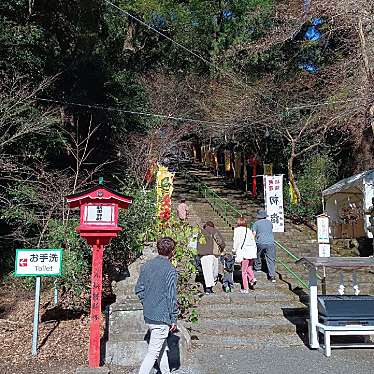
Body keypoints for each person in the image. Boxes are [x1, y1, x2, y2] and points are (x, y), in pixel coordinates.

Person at [135, 237, 178, 374]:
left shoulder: (147, 266)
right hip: (162, 315)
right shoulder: (170, 270)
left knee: (161, 348)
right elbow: (171, 297)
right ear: (172, 251)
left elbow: (139, 289)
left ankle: (165, 371)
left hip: (149, 314)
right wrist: (174, 318)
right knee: (153, 353)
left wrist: (146, 302)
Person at [197, 221, 226, 294]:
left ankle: (208, 288)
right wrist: (222, 248)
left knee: (207, 271)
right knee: (214, 271)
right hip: (213, 254)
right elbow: (220, 241)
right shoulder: (214, 230)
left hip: (203, 254)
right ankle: (209, 288)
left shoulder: (200, 232)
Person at [233, 216, 258, 293]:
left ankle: (245, 288)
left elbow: (236, 241)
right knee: (249, 267)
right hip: (252, 252)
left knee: (243, 271)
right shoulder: (249, 230)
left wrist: (234, 250)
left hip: (244, 253)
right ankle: (252, 279)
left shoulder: (237, 230)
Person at [252, 210, 276, 283]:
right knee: (271, 259)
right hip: (271, 242)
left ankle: (257, 268)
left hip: (260, 242)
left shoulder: (256, 223)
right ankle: (272, 276)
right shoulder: (269, 223)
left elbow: (253, 234)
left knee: (257, 254)